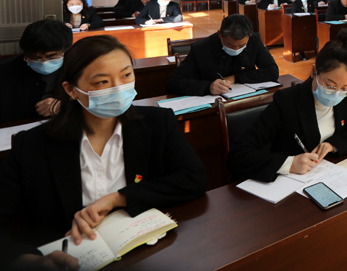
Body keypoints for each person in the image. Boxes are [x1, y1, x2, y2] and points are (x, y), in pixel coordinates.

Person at [0, 36, 207, 268]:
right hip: (68, 259)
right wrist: (28, 261)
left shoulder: (157, 123)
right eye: (102, 82)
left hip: (144, 252)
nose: (118, 88)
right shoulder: (33, 145)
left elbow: (194, 177)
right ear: (71, 90)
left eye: (126, 75)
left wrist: (119, 198)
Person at [226, 30, 347, 183]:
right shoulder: (286, 102)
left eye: (344, 88)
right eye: (330, 85)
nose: (336, 94)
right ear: (314, 71)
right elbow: (238, 155)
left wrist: (334, 144)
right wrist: (289, 163)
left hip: (330, 178)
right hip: (290, 185)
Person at [167, 15, 279, 96]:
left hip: (245, 99)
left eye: (242, 46)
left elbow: (272, 71)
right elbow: (174, 83)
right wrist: (208, 87)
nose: (236, 49)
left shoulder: (254, 40)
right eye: (230, 45)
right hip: (214, 104)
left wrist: (235, 78)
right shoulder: (201, 48)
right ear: (220, 34)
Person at [0, 20, 72, 123]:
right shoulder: (6, 72)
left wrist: (64, 106)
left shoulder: (77, 68)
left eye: (51, 57)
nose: (43, 62)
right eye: (34, 57)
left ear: (66, 50)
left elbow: (92, 101)